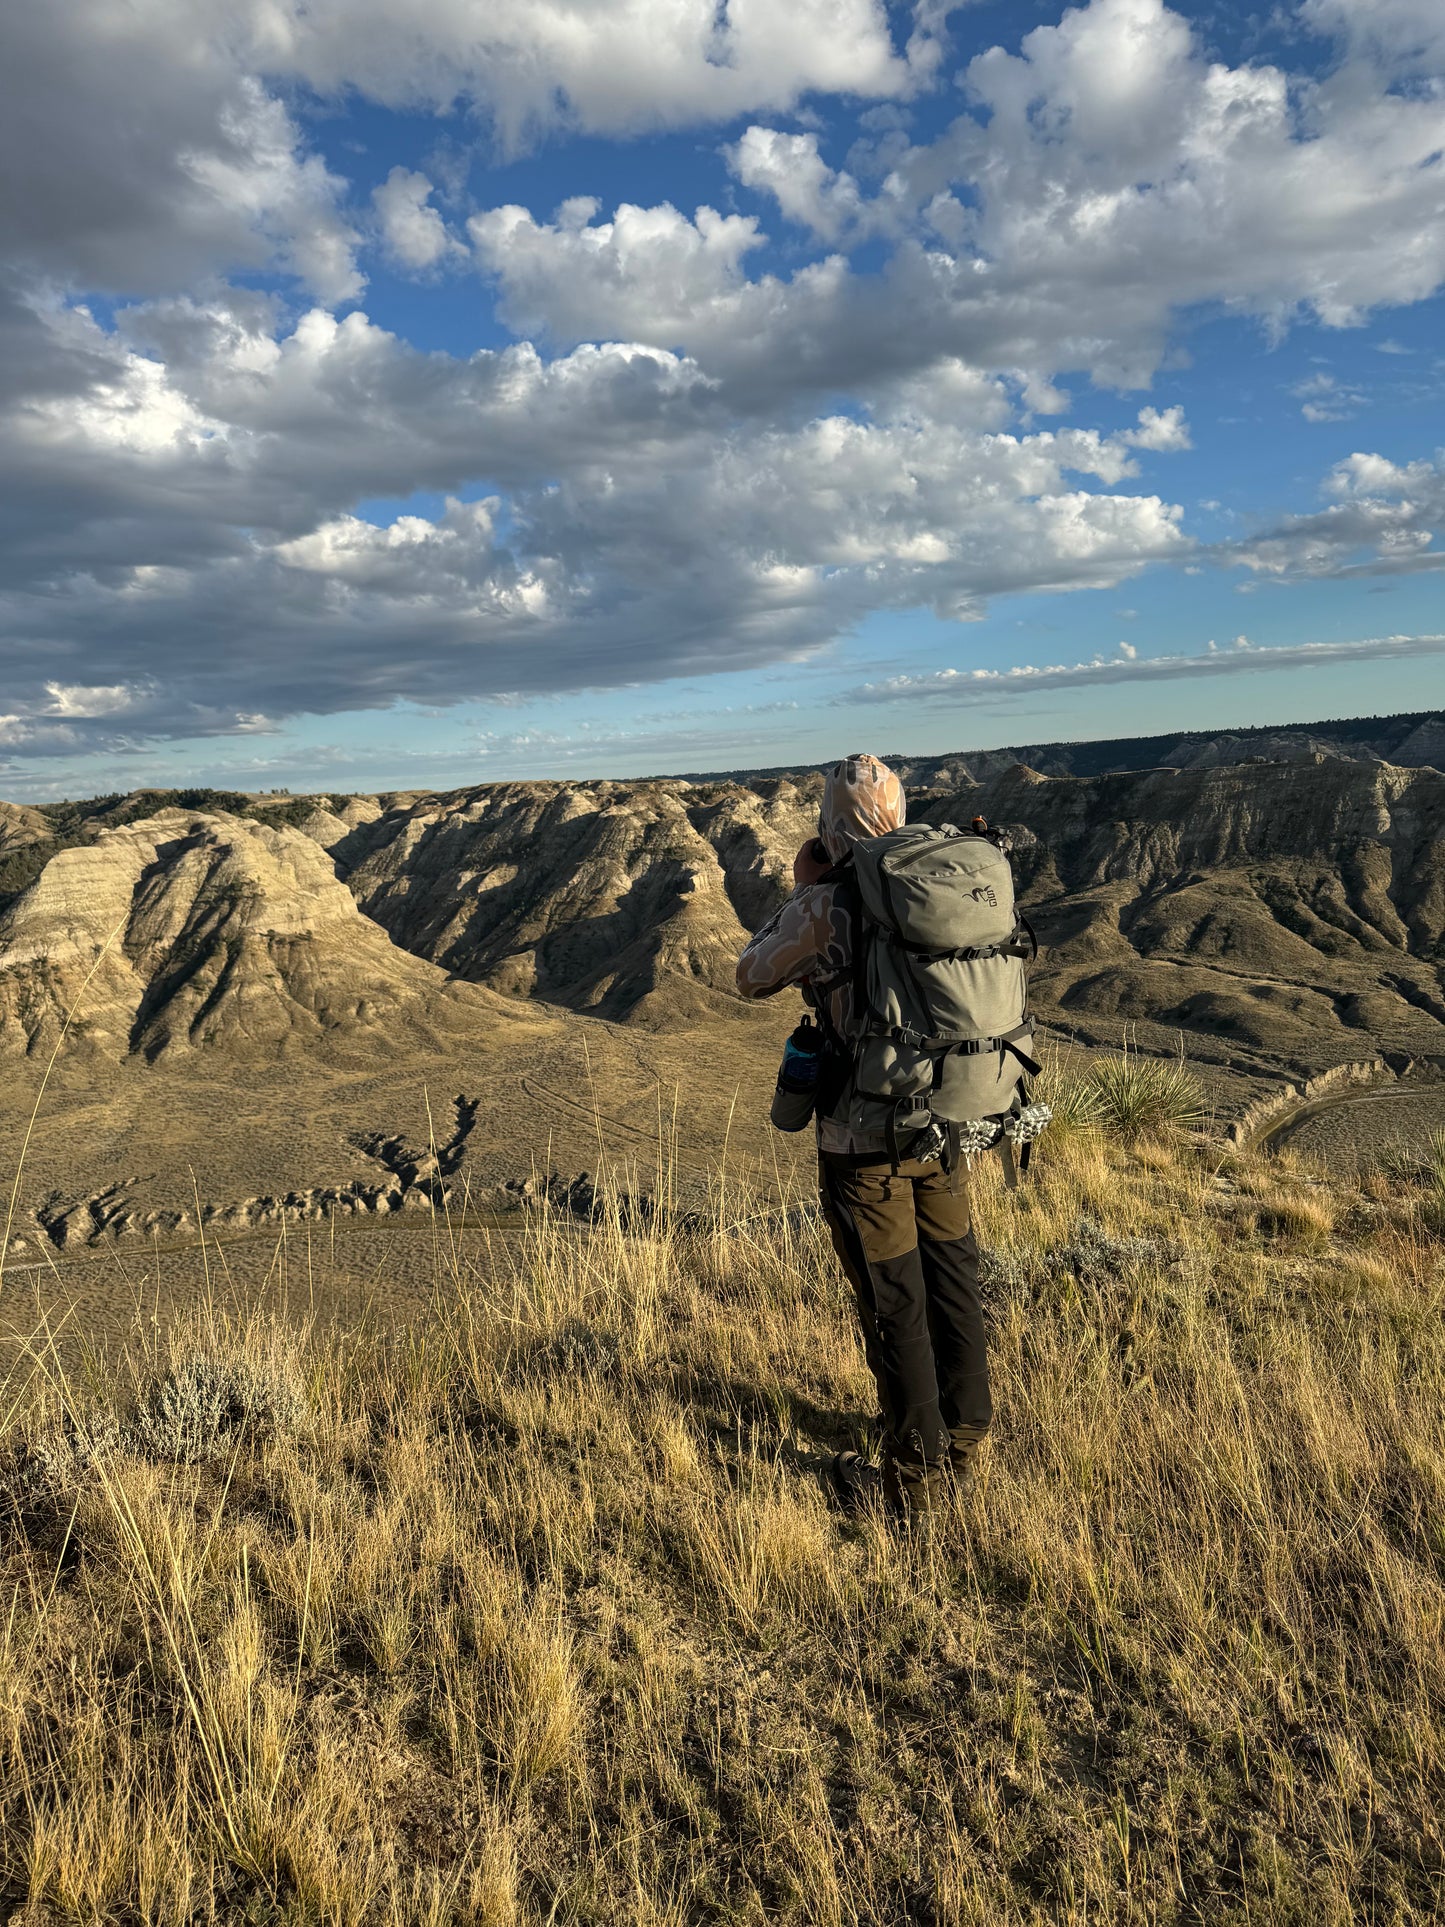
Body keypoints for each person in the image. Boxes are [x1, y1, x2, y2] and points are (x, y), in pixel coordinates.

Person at [736, 753, 991, 1519]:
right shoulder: (933, 882)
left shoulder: (829, 902)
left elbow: (749, 975)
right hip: (944, 1123)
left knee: (894, 1307)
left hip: (862, 1141)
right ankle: (966, 1435)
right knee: (953, 1281)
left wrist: (803, 886)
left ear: (828, 824)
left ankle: (911, 1490)